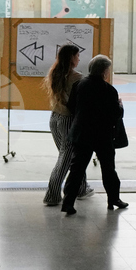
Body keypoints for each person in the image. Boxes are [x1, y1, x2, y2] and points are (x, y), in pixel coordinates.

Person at [61, 54, 127, 216]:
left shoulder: (79, 85)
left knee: (76, 169)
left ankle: (68, 203)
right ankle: (113, 199)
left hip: (82, 133)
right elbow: (115, 114)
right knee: (108, 169)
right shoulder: (109, 90)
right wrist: (120, 106)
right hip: (102, 136)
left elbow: (71, 106)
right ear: (104, 71)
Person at [42, 45, 93, 206]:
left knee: (71, 156)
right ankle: (52, 194)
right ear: (71, 57)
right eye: (77, 56)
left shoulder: (54, 72)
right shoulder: (77, 77)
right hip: (67, 120)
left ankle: (81, 188)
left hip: (54, 118)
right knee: (66, 158)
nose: (79, 59)